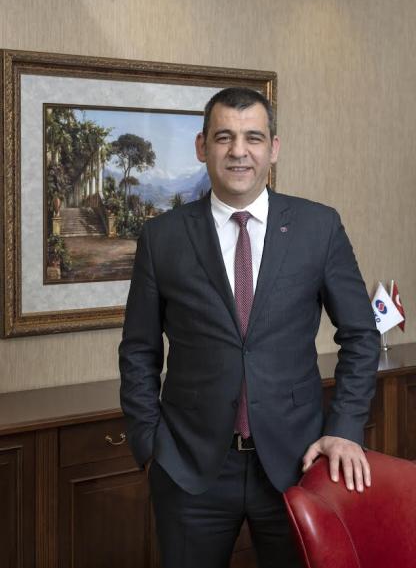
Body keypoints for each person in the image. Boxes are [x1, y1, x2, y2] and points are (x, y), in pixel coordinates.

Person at [119, 87, 380, 568]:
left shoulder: (318, 227)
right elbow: (138, 350)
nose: (239, 151)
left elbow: (362, 336)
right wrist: (149, 443)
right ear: (202, 146)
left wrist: (345, 428)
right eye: (224, 137)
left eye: (253, 138)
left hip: (297, 464)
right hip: (188, 469)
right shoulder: (161, 237)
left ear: (273, 148)